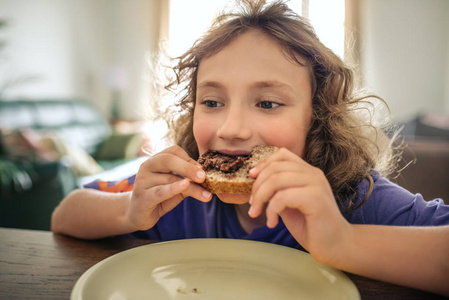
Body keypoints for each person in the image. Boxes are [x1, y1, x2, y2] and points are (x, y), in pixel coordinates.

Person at [51, 0, 449, 296]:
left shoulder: (351, 198)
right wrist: (129, 211)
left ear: (318, 116)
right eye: (212, 102)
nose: (232, 128)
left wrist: (343, 241)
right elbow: (66, 214)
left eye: (267, 103)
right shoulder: (180, 197)